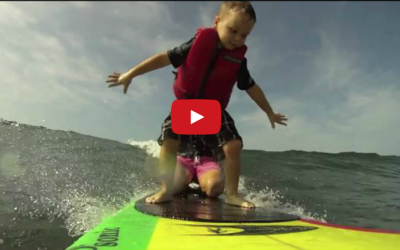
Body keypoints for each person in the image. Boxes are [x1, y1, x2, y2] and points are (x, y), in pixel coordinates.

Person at [107, 1, 288, 209]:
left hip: (213, 109)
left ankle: (231, 194)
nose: (238, 38)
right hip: (188, 105)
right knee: (169, 139)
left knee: (233, 146)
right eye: (233, 30)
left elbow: (252, 88)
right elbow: (163, 58)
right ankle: (167, 189)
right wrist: (130, 74)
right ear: (217, 22)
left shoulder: (238, 61)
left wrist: (270, 113)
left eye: (244, 35)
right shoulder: (197, 43)